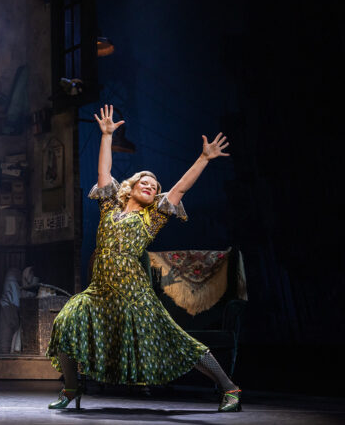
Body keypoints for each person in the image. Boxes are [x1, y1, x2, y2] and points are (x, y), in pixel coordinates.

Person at [46, 105, 242, 412]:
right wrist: (107, 136)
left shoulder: (153, 218)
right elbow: (103, 173)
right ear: (131, 188)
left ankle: (230, 388)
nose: (150, 186)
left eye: (154, 186)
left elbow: (179, 188)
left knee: (179, 343)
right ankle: (71, 388)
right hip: (99, 293)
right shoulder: (109, 206)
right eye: (144, 183)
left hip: (135, 296)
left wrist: (204, 158)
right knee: (65, 324)